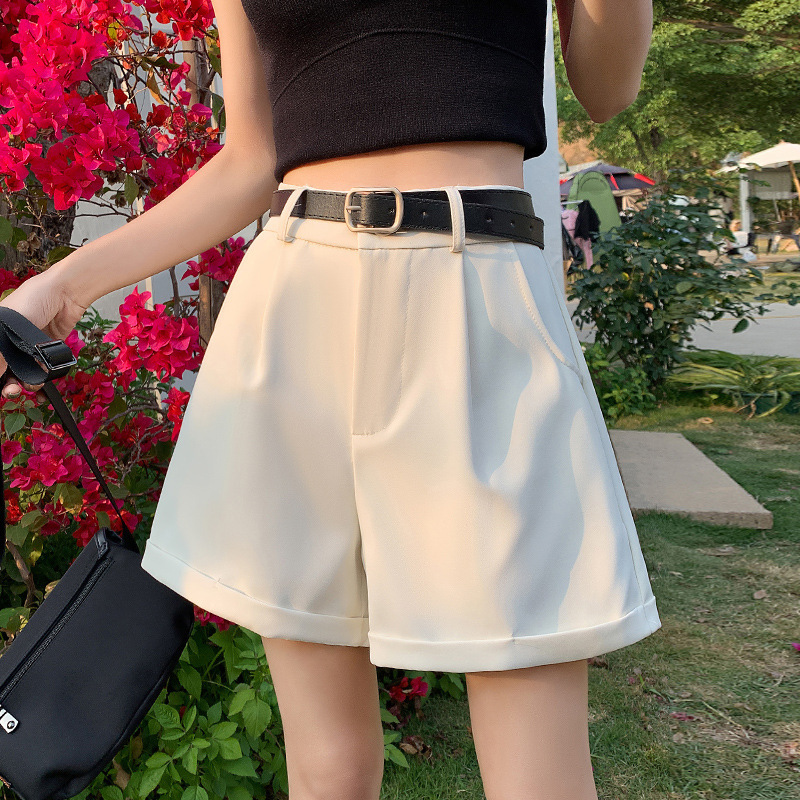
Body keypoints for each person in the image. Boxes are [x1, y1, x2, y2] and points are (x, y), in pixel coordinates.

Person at [0, 2, 658, 799]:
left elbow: (608, 89)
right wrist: (62, 288)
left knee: (539, 774)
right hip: (298, 305)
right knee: (328, 768)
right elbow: (253, 159)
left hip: (480, 299)